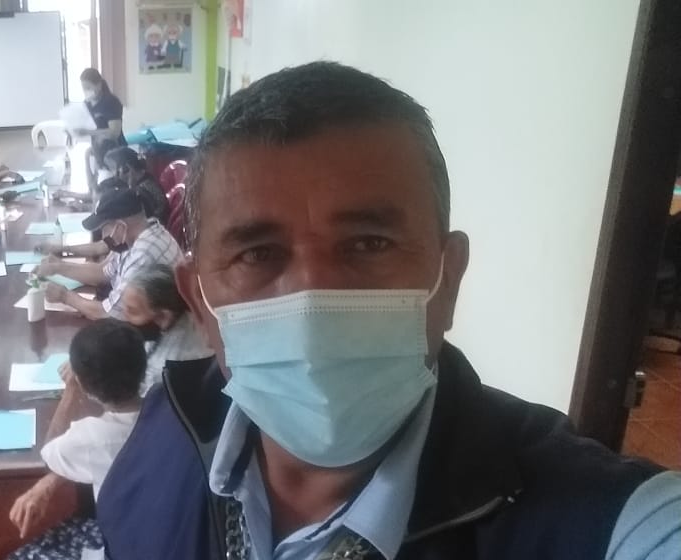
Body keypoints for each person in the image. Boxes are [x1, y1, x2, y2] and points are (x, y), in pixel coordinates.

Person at [93, 62, 681, 559]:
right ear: (198, 300)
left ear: (448, 280)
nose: (314, 300)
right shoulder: (166, 424)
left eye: (369, 243)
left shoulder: (596, 518)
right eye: (257, 253)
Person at [7, 319, 146, 560]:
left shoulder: (91, 436)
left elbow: (49, 455)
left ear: (82, 381)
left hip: (124, 545)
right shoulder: (166, 404)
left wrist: (70, 391)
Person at [34, 189, 182, 320]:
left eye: (104, 229)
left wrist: (64, 296)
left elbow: (108, 314)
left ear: (120, 226)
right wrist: (58, 267)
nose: (103, 236)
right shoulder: (139, 234)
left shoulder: (143, 254)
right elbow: (102, 273)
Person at [120, 263, 213, 392]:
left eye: (133, 311)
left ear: (163, 317)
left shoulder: (164, 368)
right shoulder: (181, 317)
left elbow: (141, 396)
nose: (124, 316)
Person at [77, 69, 125, 188]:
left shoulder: (111, 102)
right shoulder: (87, 104)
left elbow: (114, 132)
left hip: (114, 151)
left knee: (109, 187)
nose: (86, 91)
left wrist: (88, 132)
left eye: (88, 87)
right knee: (96, 187)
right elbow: (85, 125)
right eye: (84, 88)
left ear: (98, 84)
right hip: (97, 150)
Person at [104, 146, 169, 226]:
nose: (114, 175)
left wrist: (131, 188)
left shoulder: (143, 189)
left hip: (157, 226)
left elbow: (143, 217)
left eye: (114, 168)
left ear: (126, 168)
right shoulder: (146, 177)